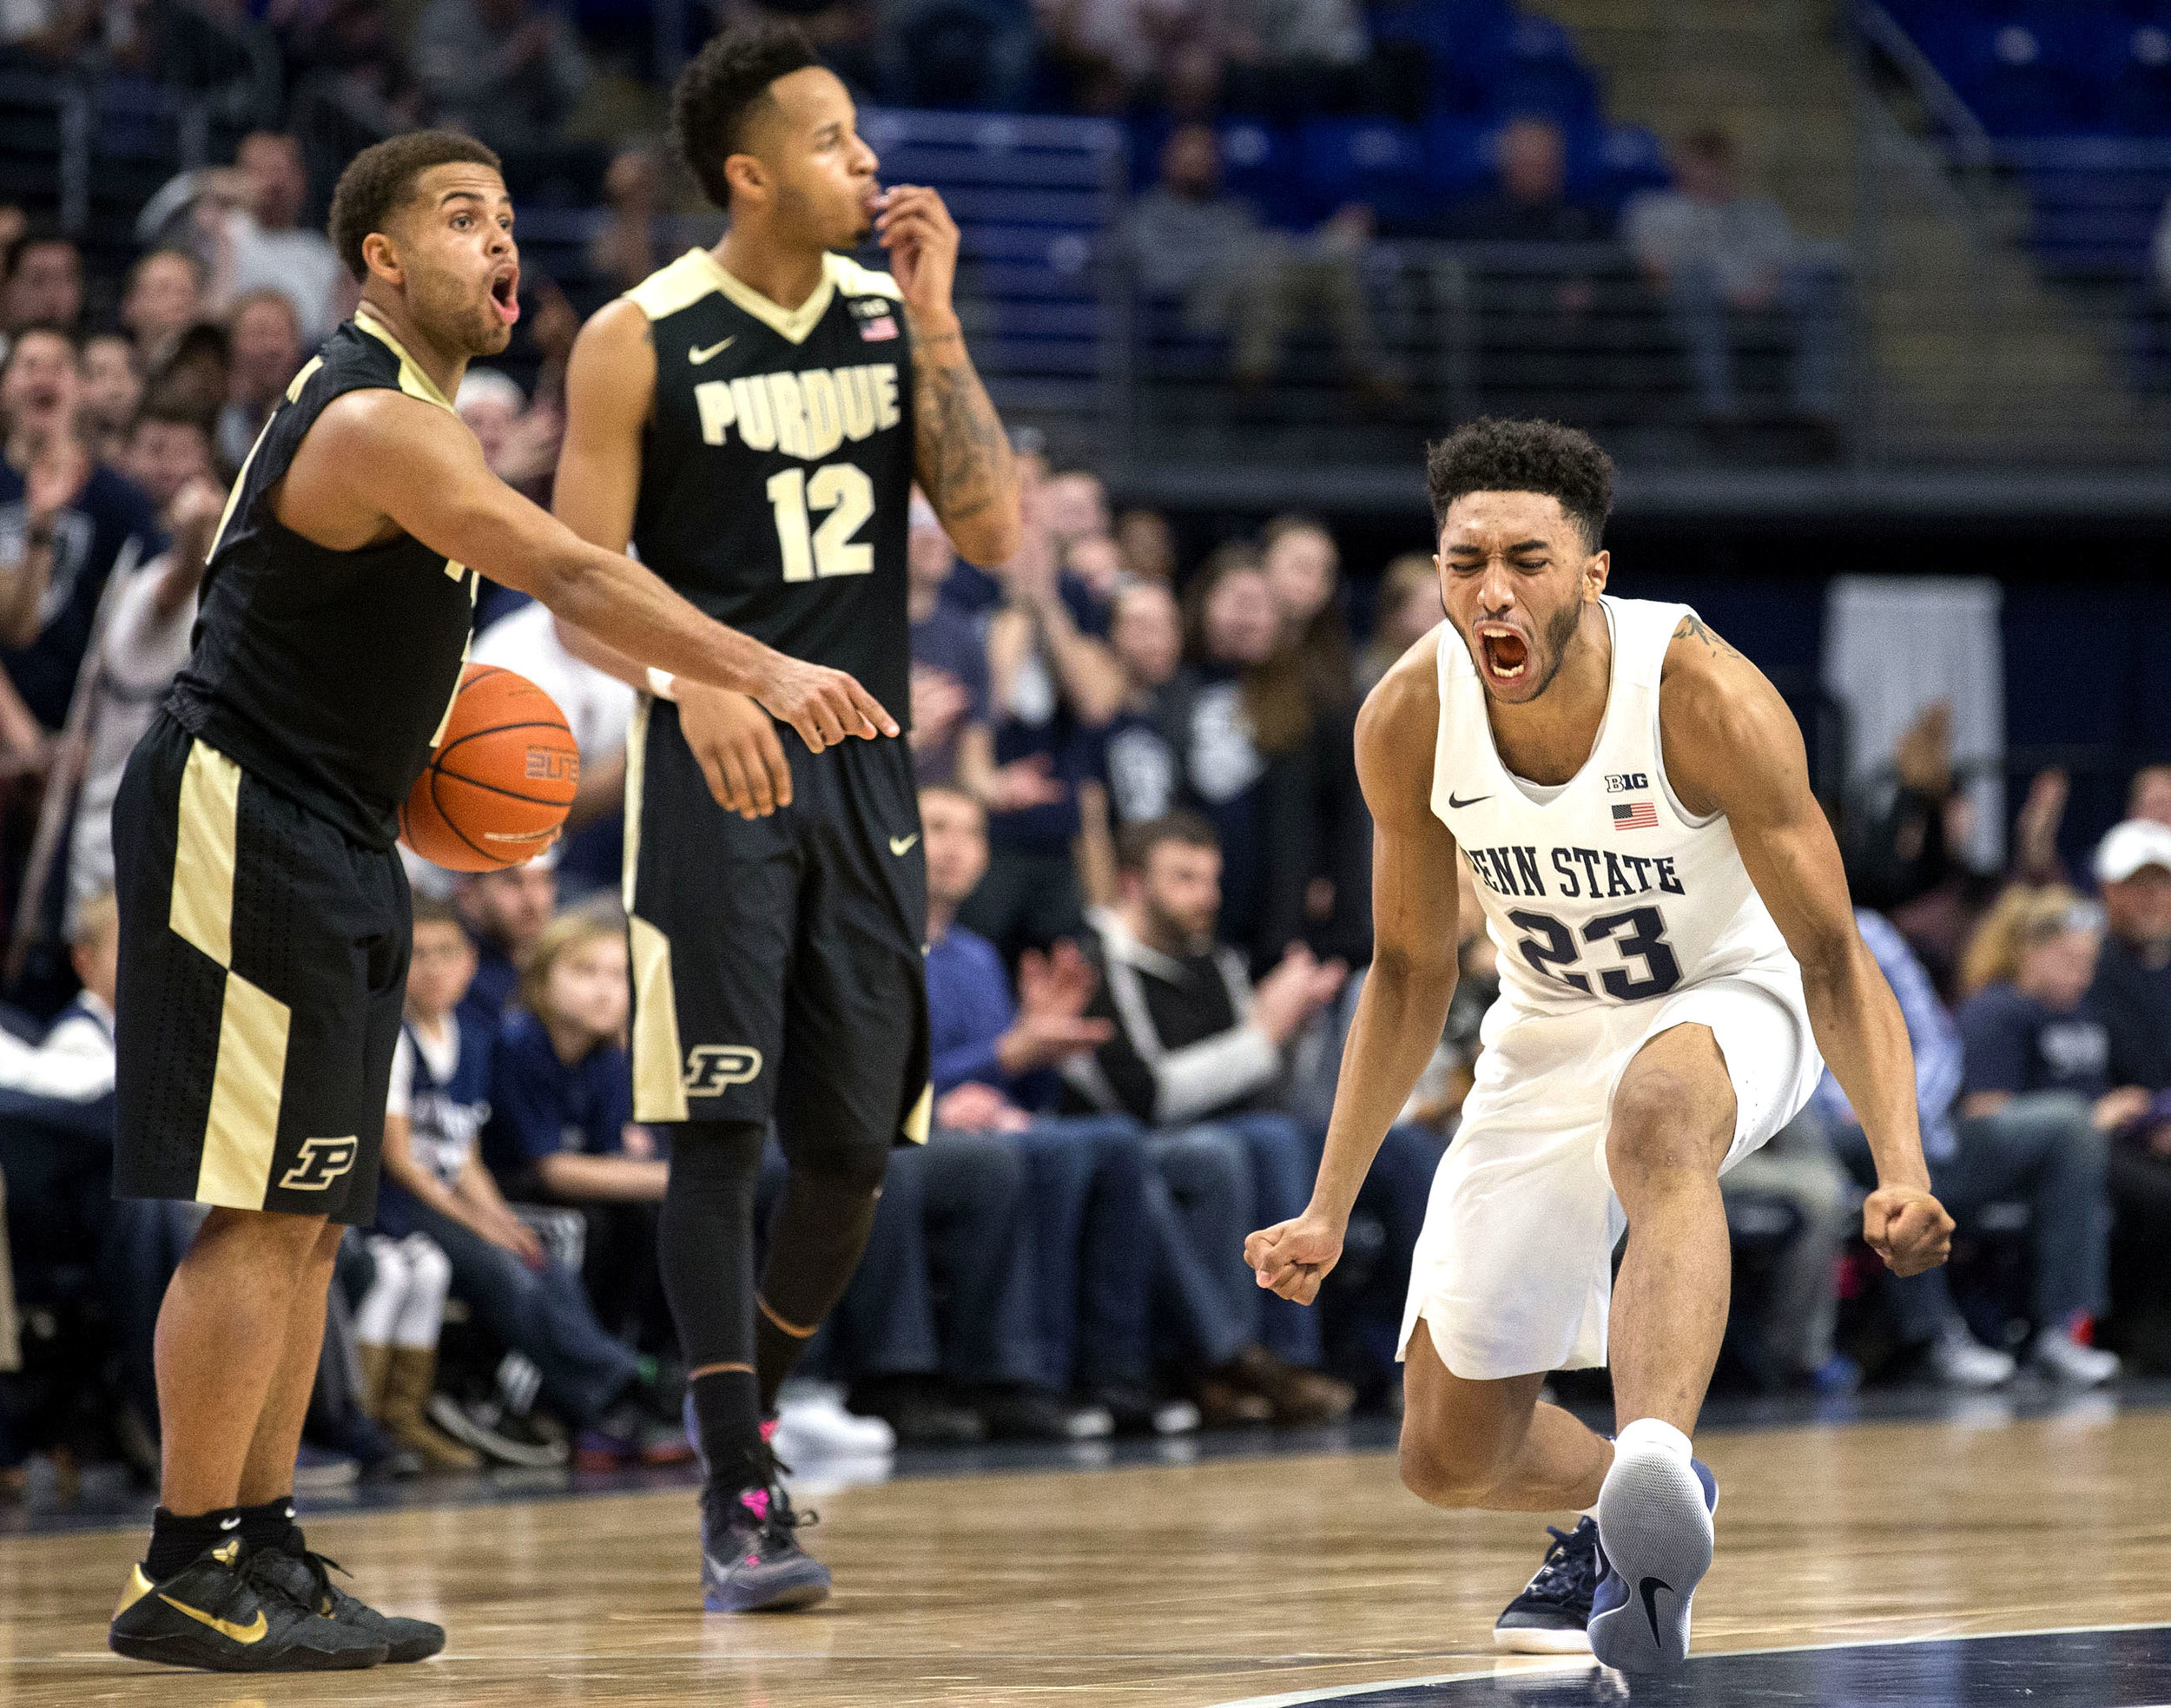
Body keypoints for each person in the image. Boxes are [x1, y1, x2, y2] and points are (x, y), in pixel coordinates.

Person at [104, 127, 896, 1674]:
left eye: (510, 219)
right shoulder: (375, 418)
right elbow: (572, 568)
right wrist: (765, 664)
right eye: (463, 220)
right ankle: (185, 1563)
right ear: (383, 261)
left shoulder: (423, 421)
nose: (500, 243)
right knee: (259, 1204)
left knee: (318, 1202)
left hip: (335, 823)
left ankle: (259, 1542)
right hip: (241, 815)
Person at [1243, 418, 1950, 1669]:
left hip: (1739, 988)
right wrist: (1327, 1201)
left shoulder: (1701, 692)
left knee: (1659, 1107)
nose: (1493, 590)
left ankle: (1659, 1452)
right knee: (1447, 1454)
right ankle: (1642, 1507)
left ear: (1593, 573)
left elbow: (1837, 953)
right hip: (1548, 1021)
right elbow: (1406, 969)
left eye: (1527, 557)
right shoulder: (1409, 712)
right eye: (1465, 562)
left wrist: (1901, 1164)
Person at [548, 23, 1020, 1614]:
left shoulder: (894, 320)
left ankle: (739, 1413)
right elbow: (575, 590)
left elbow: (994, 523)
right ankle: (740, 1474)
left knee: (847, 1156)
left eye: (862, 137)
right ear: (747, 175)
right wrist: (699, 684)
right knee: (720, 1128)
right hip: (715, 768)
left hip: (870, 771)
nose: (868, 161)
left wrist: (940, 318)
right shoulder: (636, 336)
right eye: (833, 141)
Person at [1066, 811, 1360, 1424]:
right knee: (1220, 1153)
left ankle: (1288, 1354)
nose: (1207, 896)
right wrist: (1262, 1031)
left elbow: (1260, 1088)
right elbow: (1147, 1096)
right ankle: (1227, 1359)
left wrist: (1296, 1026)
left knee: (1280, 1137)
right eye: (1184, 878)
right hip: (1130, 1137)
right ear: (1132, 883)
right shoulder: (1096, 956)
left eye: (1210, 878)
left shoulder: (1215, 958)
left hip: (1219, 1131)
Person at [1949, 886, 2126, 1385]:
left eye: (2089, 962)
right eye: (2070, 960)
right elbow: (1985, 1109)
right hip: (1980, 1160)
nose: (2083, 974)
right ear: (2031, 952)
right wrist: (2090, 1117)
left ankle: (2069, 1330)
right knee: (2072, 1122)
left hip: (2066, 1164)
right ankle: (2060, 1328)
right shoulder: (1996, 1010)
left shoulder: (2081, 1014)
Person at [1126, 123, 1397, 399]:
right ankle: (1363, 366)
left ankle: (1256, 376)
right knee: (1270, 259)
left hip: (1261, 302)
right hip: (1196, 308)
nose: (1198, 158)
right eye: (1188, 149)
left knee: (1328, 262)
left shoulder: (1235, 211)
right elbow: (1160, 276)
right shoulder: (1146, 214)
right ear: (1166, 157)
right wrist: (1225, 263)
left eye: (1206, 150)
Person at [0, 326, 163, 732]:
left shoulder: (117, 498)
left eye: (59, 366)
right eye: (29, 365)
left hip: (83, 737)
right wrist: (25, 740)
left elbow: (148, 614)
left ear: (81, 389)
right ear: (4, 388)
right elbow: (15, 628)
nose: (44, 377)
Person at [1621, 127, 1838, 422]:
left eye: (1716, 162)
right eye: (1701, 161)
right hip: (1691, 307)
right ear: (1680, 165)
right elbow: (1656, 275)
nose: (1710, 171)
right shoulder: (1654, 210)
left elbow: (1780, 265)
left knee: (1826, 271)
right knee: (1693, 279)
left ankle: (1817, 411)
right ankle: (1720, 412)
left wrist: (1760, 291)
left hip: (1765, 304)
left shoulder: (1761, 211)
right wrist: (1727, 294)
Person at [217, 132, 346, 347]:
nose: (273, 183)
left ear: (301, 180)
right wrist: (216, 186)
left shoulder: (321, 252)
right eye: (260, 170)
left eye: (281, 171)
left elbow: (334, 329)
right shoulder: (222, 231)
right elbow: (160, 215)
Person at [453, 858, 558, 1024]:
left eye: (542, 880)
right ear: (468, 894)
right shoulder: (456, 977)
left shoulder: (558, 969)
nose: (532, 899)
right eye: (512, 882)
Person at [215, 289, 306, 472]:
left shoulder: (318, 414)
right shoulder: (209, 411)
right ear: (232, 344)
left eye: (281, 334)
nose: (273, 347)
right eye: (260, 334)